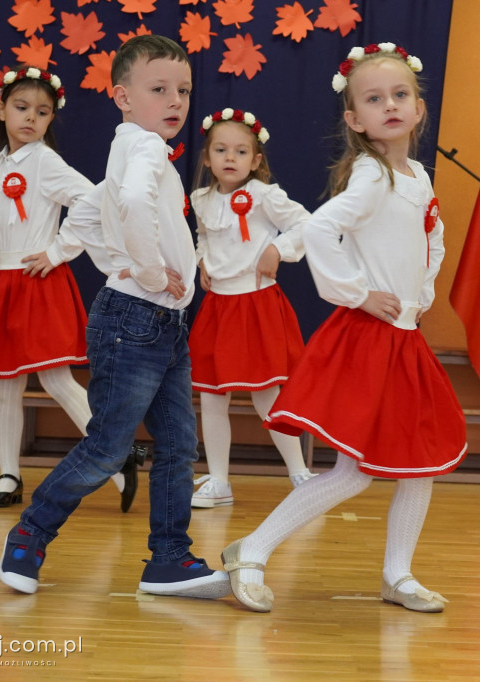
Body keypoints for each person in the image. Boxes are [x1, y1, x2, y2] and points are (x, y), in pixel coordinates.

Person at [219, 42, 467, 613]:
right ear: (355, 119)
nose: (391, 106)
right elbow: (321, 228)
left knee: (418, 461)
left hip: (402, 335)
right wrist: (356, 292)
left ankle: (398, 574)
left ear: (418, 106)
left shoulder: (417, 177)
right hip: (367, 337)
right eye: (375, 99)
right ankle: (250, 550)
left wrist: (420, 294)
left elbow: (434, 236)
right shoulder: (372, 173)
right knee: (355, 472)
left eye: (400, 95)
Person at [0, 36, 230, 599]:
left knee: (177, 447)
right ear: (122, 96)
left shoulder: (135, 145)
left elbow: (95, 202)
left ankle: (169, 560)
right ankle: (29, 534)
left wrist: (60, 251)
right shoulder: (145, 150)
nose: (175, 101)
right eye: (159, 90)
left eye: (183, 91)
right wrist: (150, 272)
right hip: (136, 318)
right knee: (107, 446)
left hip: (161, 324)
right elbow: (124, 205)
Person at [0, 65, 137, 512]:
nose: (30, 118)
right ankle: (8, 473)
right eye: (21, 108)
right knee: (7, 383)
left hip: (39, 280)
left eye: (42, 112)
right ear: (1, 109)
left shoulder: (45, 160)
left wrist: (58, 250)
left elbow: (91, 199)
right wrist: (4, 253)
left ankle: (115, 455)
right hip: (6, 279)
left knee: (56, 378)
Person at [188, 107, 315, 509]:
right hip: (218, 308)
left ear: (256, 160)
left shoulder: (264, 195)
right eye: (221, 150)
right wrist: (202, 261)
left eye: (241, 151)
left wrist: (278, 248)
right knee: (211, 396)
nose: (230, 158)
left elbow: (307, 225)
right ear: (207, 158)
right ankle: (220, 481)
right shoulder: (201, 198)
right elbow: (203, 237)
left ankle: (299, 473)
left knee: (266, 394)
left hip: (257, 304)